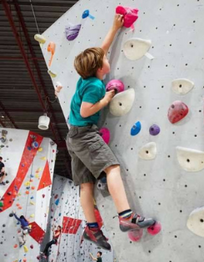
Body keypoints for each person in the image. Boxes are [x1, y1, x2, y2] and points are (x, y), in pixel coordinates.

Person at [66, 13, 155, 251]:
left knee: (86, 185)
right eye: (104, 59)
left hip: (73, 137)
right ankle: (125, 216)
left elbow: (102, 48)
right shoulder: (95, 86)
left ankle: (92, 229)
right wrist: (106, 99)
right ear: (98, 67)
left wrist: (115, 27)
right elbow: (86, 111)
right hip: (84, 134)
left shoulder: (85, 77)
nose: (107, 57)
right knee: (111, 168)